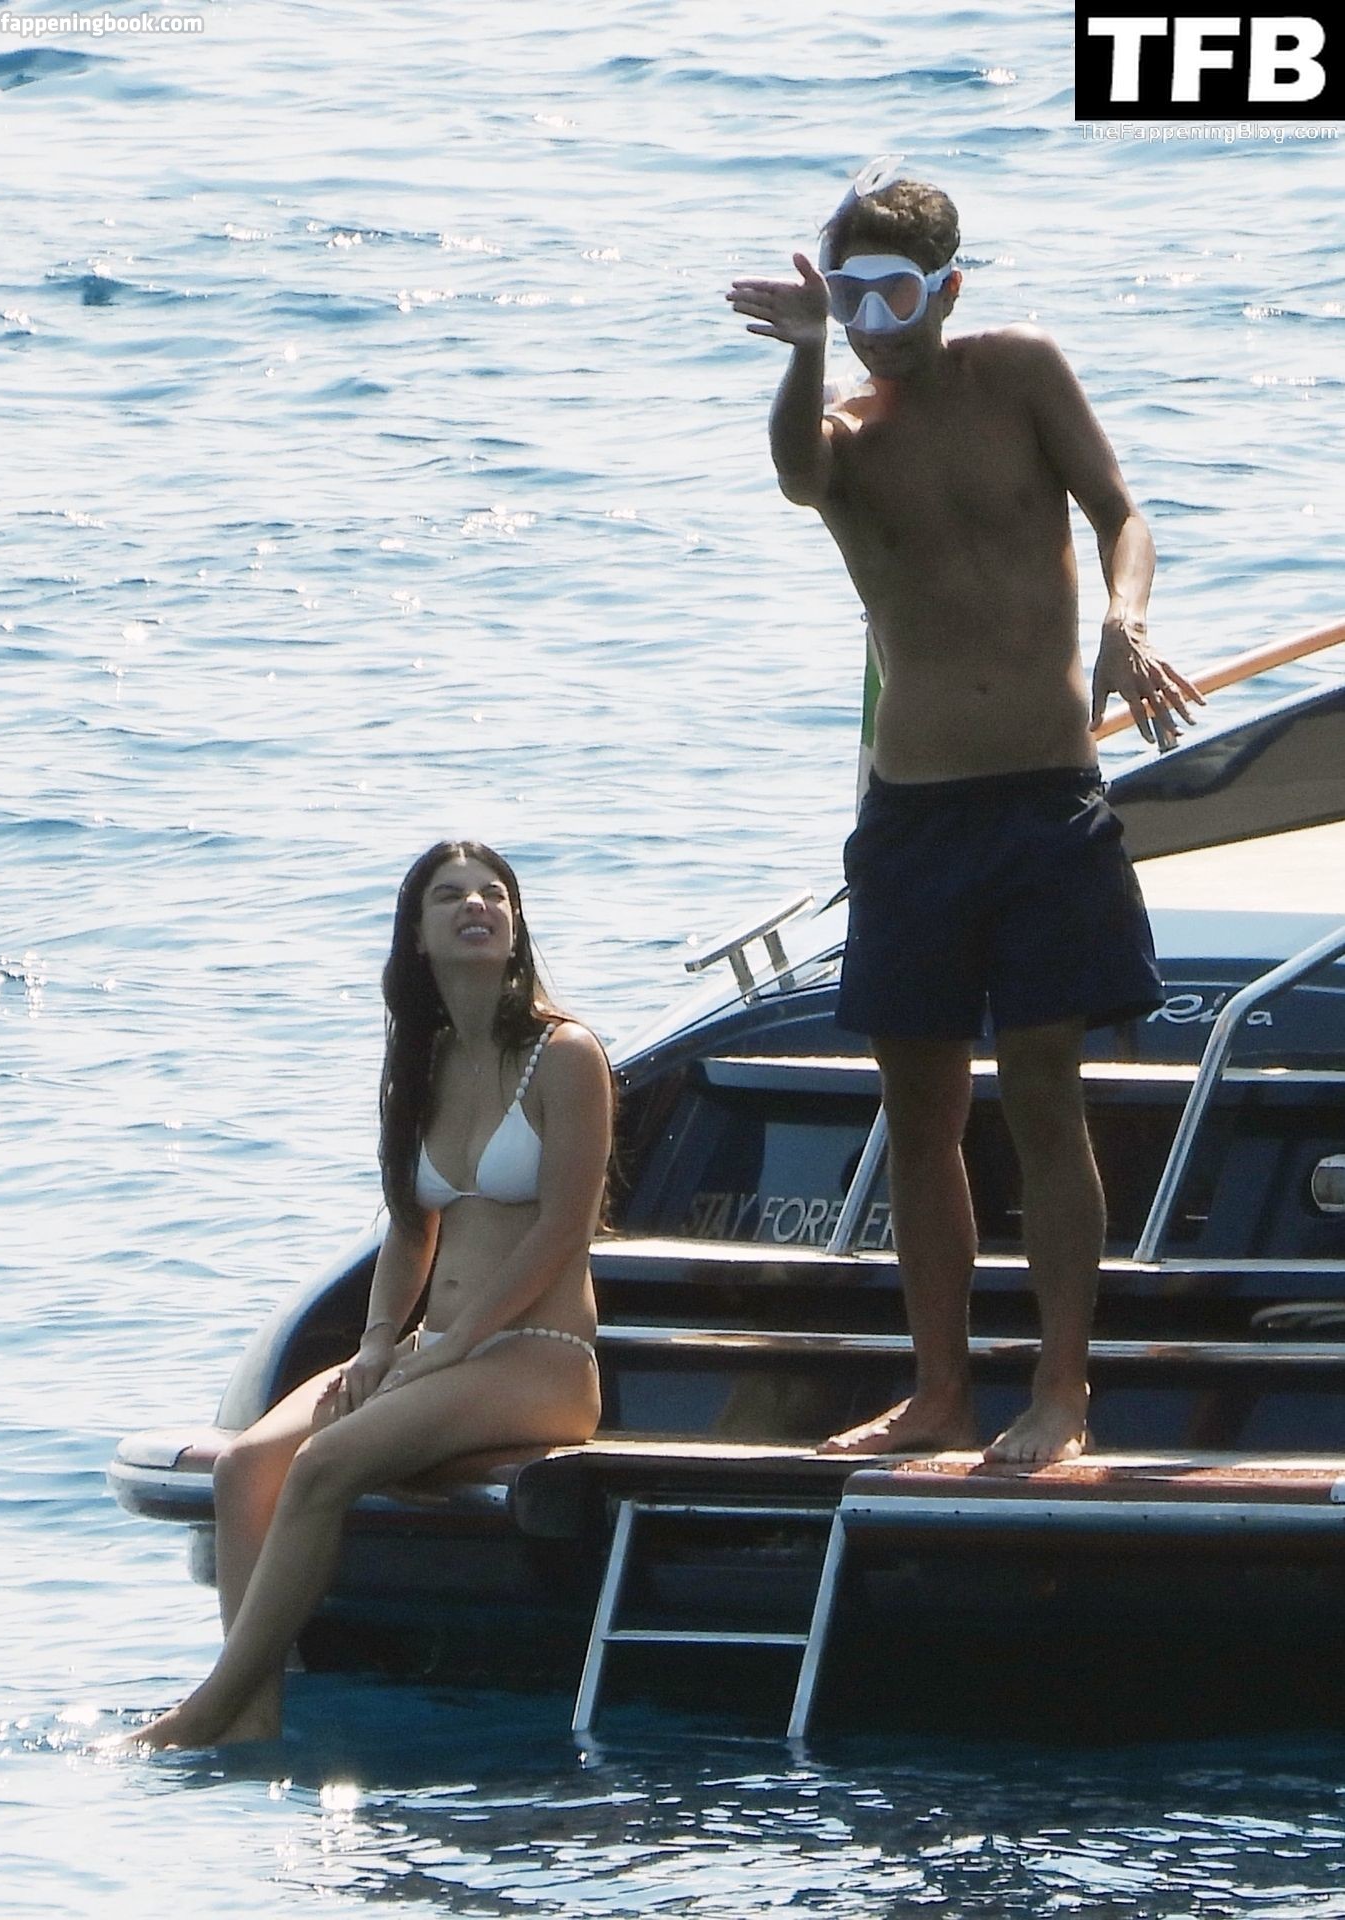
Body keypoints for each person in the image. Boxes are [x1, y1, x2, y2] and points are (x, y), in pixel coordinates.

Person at [726, 159, 1202, 1465]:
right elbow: (794, 473)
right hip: (917, 815)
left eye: (894, 291)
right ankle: (937, 1392)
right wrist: (804, 352)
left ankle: (1061, 1391)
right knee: (920, 1113)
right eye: (849, 295)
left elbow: (1119, 511)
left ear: (944, 287)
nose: (873, 320)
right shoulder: (843, 432)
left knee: (1045, 1095)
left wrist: (1125, 622)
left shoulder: (1020, 373)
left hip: (1046, 796)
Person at [125, 840, 612, 1748]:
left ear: (515, 928)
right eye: (449, 895)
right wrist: (382, 1340)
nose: (475, 906)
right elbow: (409, 1228)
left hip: (536, 1361)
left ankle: (208, 1709)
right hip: (436, 1353)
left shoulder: (566, 1054)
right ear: (417, 935)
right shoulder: (423, 1060)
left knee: (323, 1465)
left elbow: (562, 1232)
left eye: (493, 894)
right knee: (244, 1468)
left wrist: (455, 1342)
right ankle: (254, 1716)